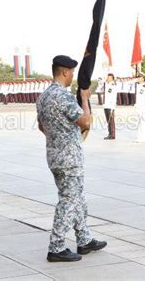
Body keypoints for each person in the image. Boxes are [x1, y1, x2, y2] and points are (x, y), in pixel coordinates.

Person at [36, 55, 107, 262]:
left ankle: (84, 239)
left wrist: (59, 136)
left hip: (55, 156)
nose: (73, 76)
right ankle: (56, 247)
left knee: (77, 198)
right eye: (72, 72)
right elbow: (84, 121)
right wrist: (84, 99)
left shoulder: (44, 96)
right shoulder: (64, 96)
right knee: (69, 200)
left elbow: (42, 126)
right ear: (65, 72)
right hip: (70, 159)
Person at [134, 73, 145, 142]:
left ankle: (143, 138)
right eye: (138, 77)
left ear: (143, 78)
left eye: (139, 77)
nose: (138, 79)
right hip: (138, 106)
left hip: (143, 107)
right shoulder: (137, 85)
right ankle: (139, 137)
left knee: (143, 122)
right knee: (139, 122)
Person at [103, 73, 117, 140]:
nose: (108, 79)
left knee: (111, 121)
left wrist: (113, 107)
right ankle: (110, 133)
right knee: (108, 120)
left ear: (112, 79)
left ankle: (112, 135)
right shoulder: (106, 84)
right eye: (108, 77)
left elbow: (114, 97)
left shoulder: (113, 85)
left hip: (110, 106)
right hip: (106, 105)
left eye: (110, 78)